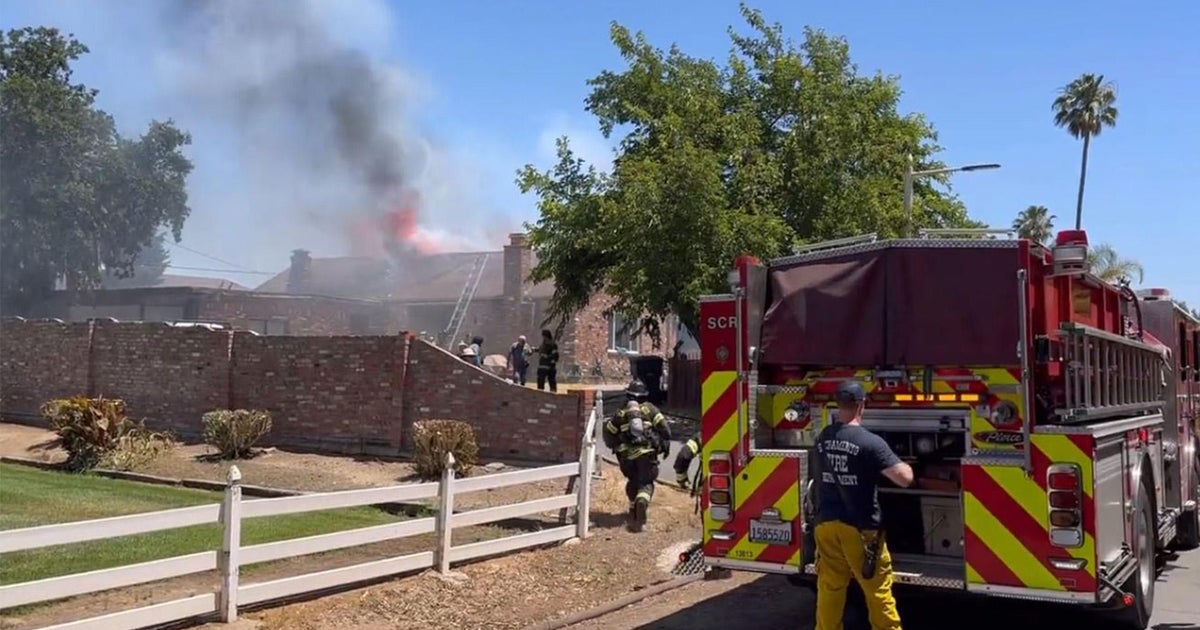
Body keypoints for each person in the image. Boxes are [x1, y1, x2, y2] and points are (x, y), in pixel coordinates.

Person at [812, 380, 913, 630]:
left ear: (839, 405)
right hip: (860, 530)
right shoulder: (870, 443)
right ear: (862, 406)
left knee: (830, 587)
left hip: (826, 525)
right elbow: (904, 479)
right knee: (877, 591)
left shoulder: (823, 437)